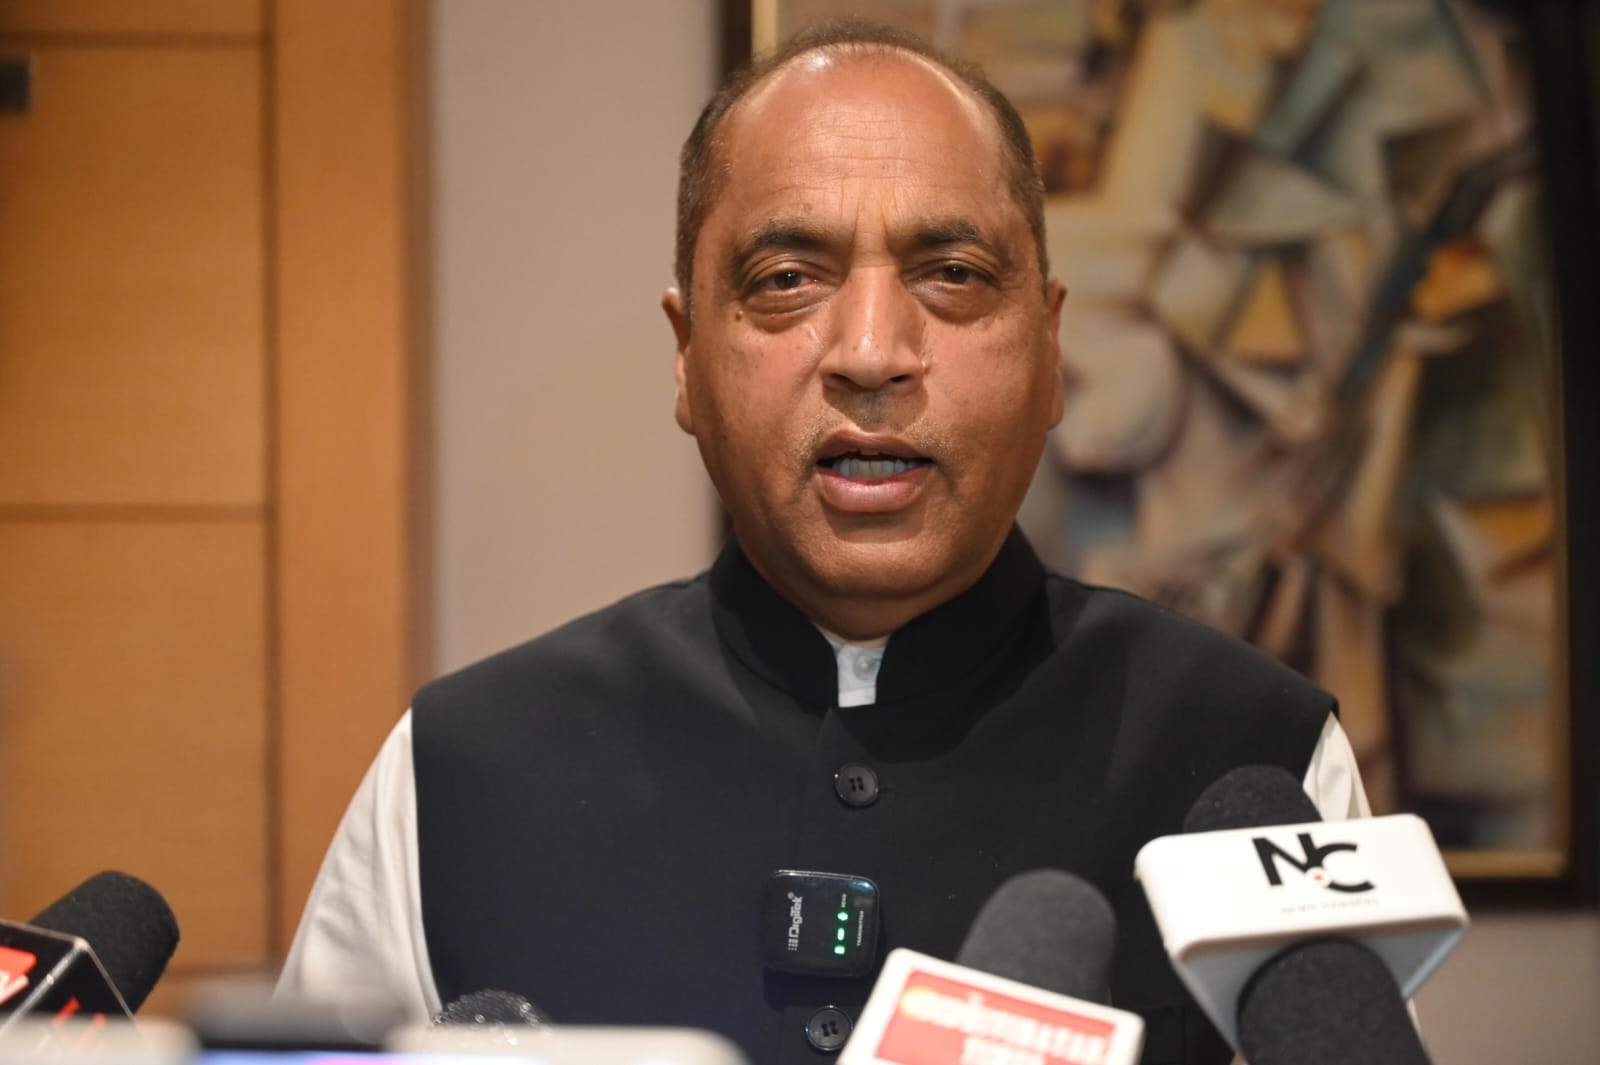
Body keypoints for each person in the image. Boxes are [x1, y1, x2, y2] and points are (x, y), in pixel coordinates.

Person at [278, 19, 1370, 1065]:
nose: (871, 351)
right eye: (787, 279)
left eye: (952, 273)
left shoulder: (1260, 759)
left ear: (1049, 347)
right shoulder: (460, 775)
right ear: (686, 357)